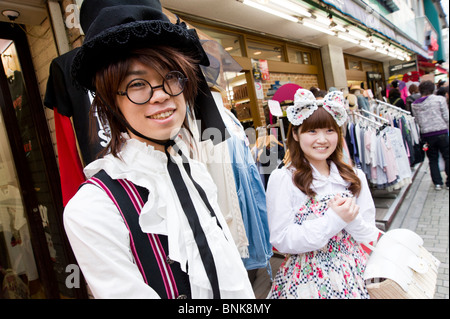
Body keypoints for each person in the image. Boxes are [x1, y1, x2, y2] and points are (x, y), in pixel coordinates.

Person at [63, 0, 254, 299]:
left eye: (171, 77)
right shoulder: (93, 210)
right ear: (111, 102)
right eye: (138, 84)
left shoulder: (194, 170)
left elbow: (229, 271)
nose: (162, 96)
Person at [266, 89, 379, 299]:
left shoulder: (354, 177)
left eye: (329, 130)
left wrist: (352, 221)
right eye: (312, 131)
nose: (322, 139)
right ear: (295, 134)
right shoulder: (283, 179)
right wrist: (334, 219)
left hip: (355, 274)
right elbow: (281, 239)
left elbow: (369, 235)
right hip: (305, 280)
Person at [411, 80, 449, 190]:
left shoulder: (415, 105)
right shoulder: (440, 100)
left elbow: (417, 121)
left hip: (427, 135)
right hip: (441, 131)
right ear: (433, 89)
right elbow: (446, 116)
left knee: (432, 159)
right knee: (447, 156)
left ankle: (437, 183)